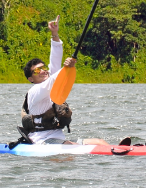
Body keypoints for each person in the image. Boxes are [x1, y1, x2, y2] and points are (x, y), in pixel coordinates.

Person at [20, 17, 108, 146]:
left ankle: (119, 154)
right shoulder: (35, 91)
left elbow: (55, 60)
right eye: (37, 71)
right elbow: (53, 80)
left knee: (99, 142)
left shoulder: (50, 81)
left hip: (58, 138)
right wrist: (67, 68)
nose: (43, 71)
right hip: (41, 141)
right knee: (70, 151)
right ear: (31, 79)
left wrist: (54, 34)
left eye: (44, 68)